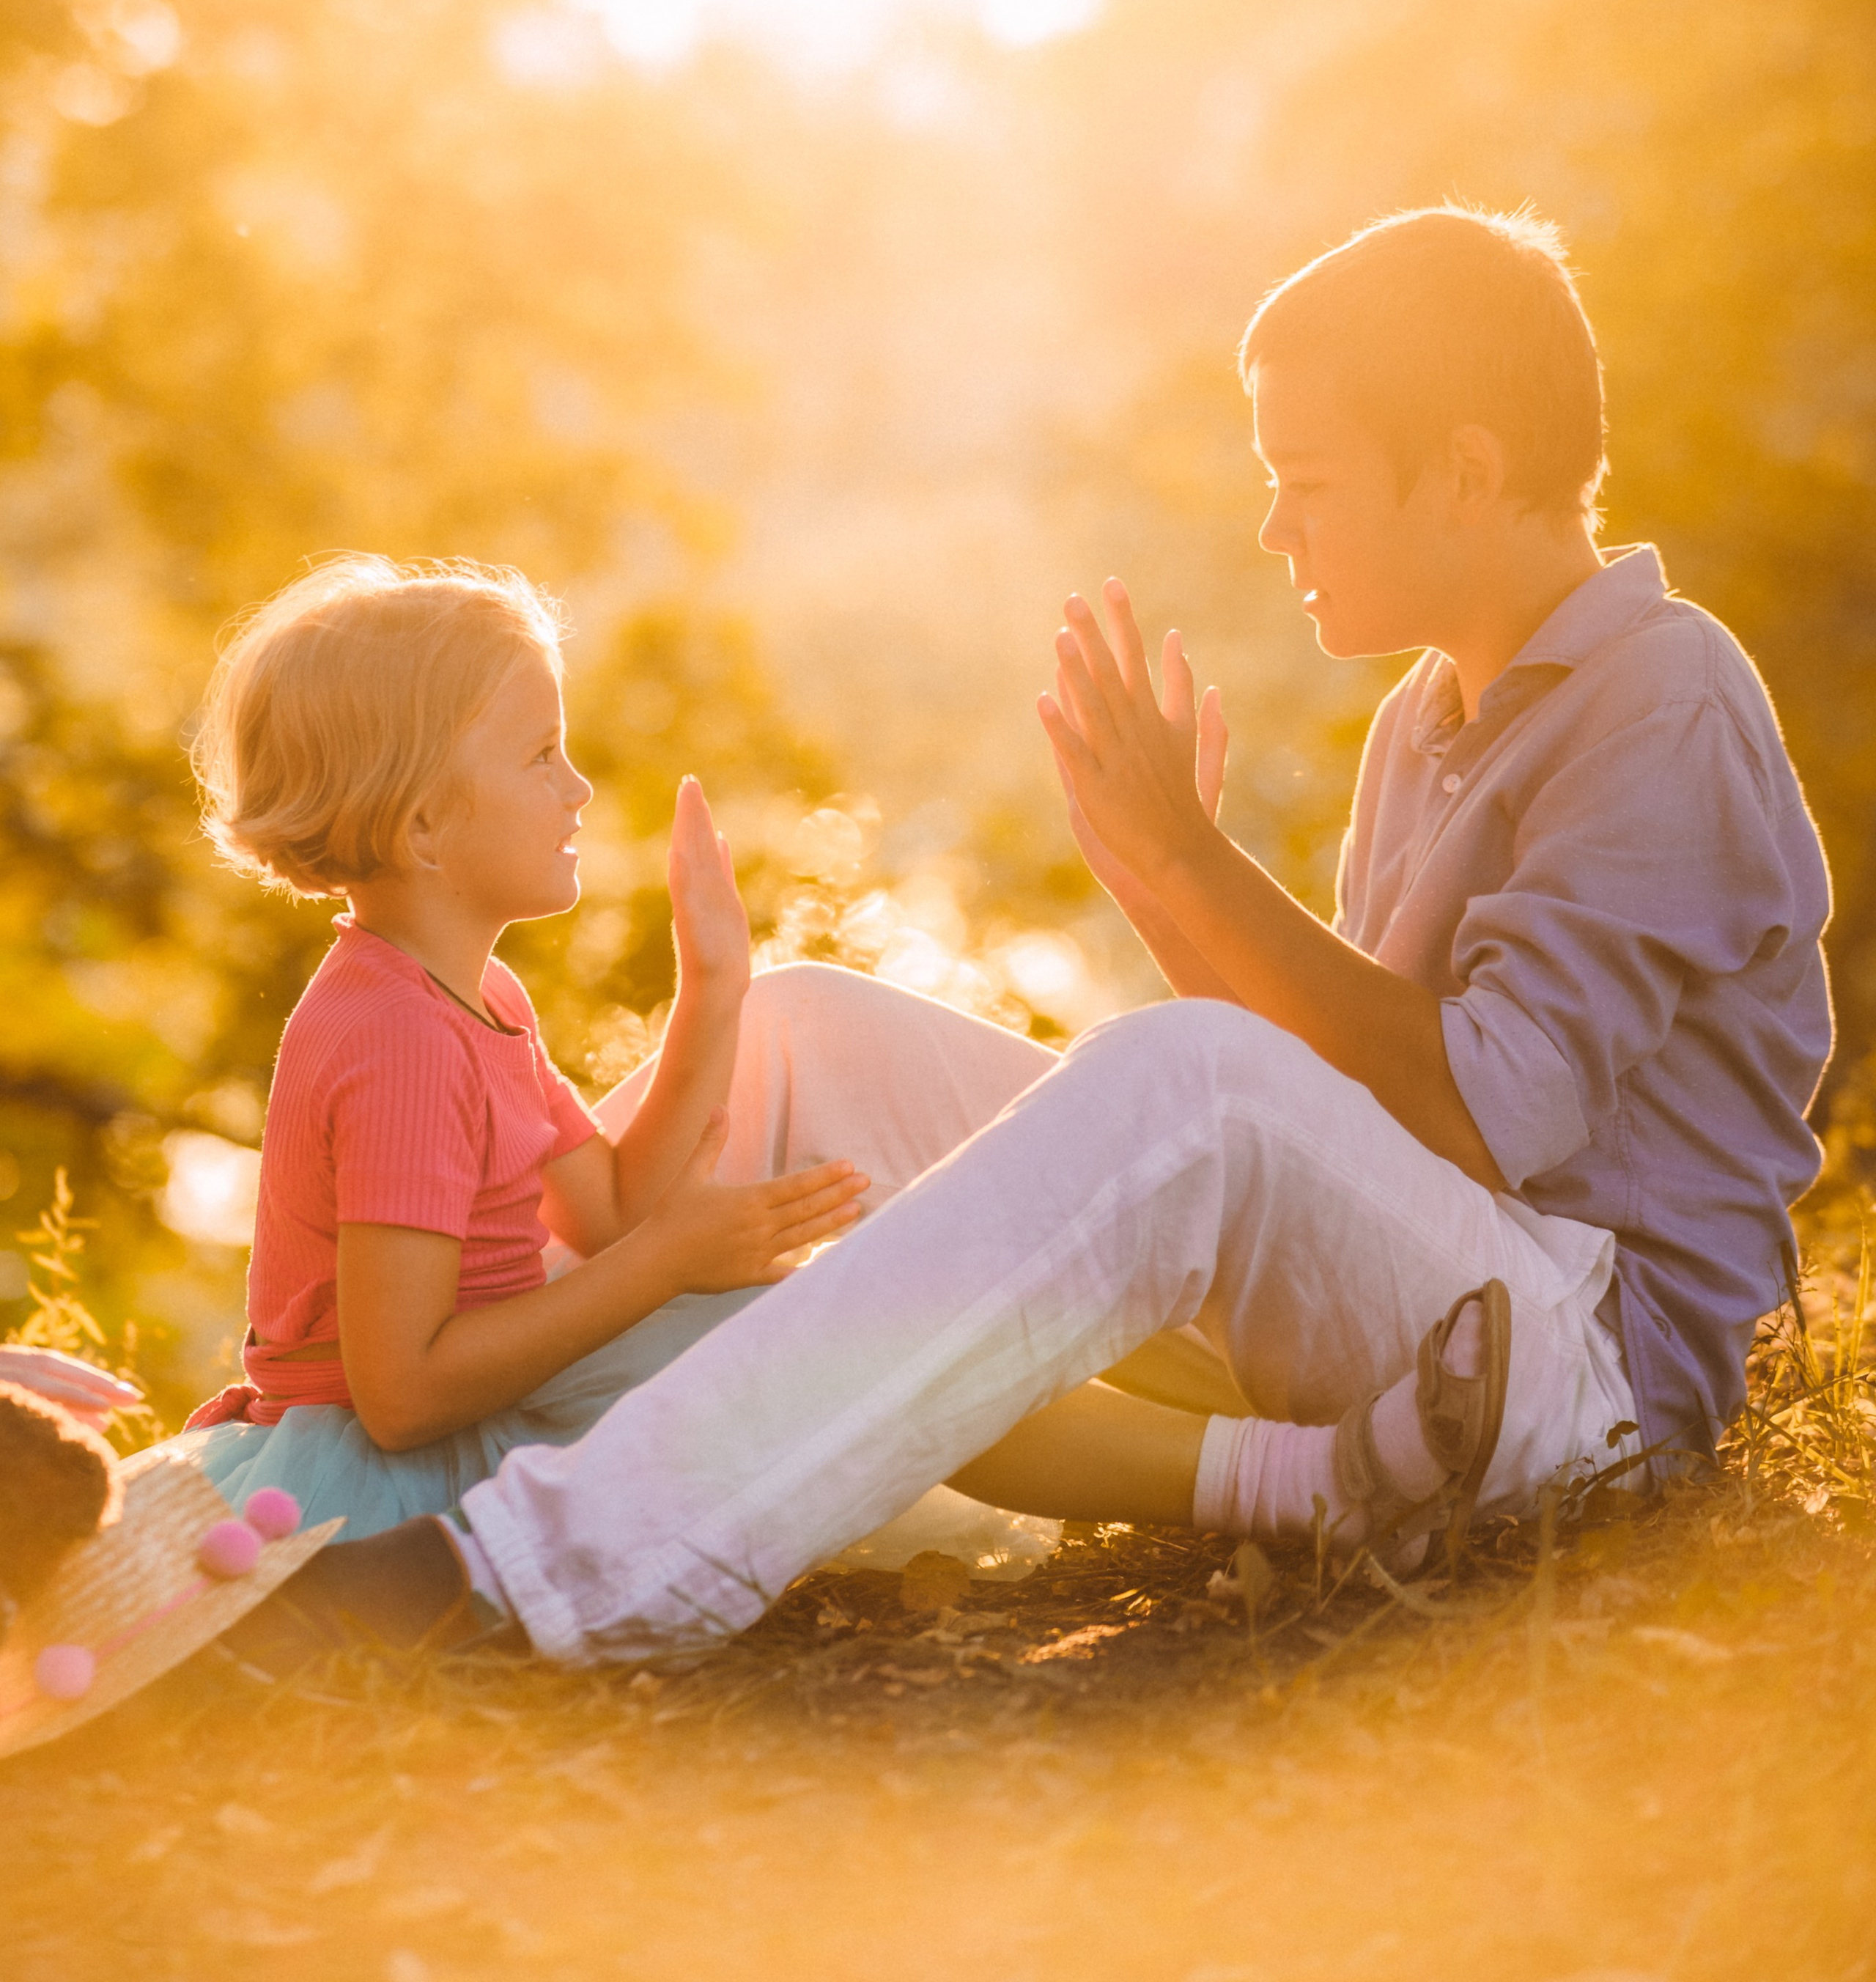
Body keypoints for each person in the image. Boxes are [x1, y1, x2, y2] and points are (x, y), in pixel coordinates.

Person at [239, 201, 1832, 1668]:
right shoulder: (1428, 722)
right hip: (1419, 1308)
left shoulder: (1659, 700)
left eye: (1310, 483)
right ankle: (456, 1435)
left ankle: (527, 1579)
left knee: (1181, 1078)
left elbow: (1485, 1117)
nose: (1278, 529)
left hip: (1576, 1375)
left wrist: (1191, 864)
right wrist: (1157, 876)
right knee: (803, 1028)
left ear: (1467, 474)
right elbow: (1342, 1110)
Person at [164, 555, 1246, 1543]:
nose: (579, 788)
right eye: (541, 757)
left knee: (862, 1331)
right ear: (422, 830)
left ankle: (1270, 1462)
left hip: (492, 1417)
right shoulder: (394, 1038)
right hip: (402, 1486)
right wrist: (668, 1266)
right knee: (861, 1350)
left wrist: (715, 994)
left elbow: (610, 1209)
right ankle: (1278, 1483)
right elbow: (402, 1397)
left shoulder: (473, 994)